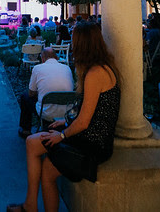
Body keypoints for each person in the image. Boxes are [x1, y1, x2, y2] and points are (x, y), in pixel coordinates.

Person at [8, 22, 120, 212]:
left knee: (46, 168)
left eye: (75, 40)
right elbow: (89, 112)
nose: (73, 45)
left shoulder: (95, 73)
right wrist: (65, 122)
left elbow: (85, 122)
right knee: (32, 144)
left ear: (84, 44)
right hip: (90, 136)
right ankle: (30, 205)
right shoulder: (101, 68)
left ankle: (30, 206)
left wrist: (61, 135)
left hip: (92, 145)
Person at [18, 48, 74, 138]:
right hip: (66, 114)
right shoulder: (67, 68)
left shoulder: (37, 68)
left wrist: (41, 92)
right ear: (56, 57)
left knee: (25, 97)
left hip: (47, 113)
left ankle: (26, 130)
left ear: (43, 58)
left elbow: (31, 93)